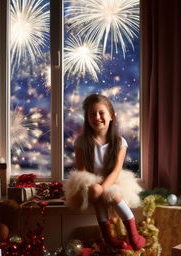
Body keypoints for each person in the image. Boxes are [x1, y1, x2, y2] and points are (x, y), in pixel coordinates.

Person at [64, 94, 145, 251]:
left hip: (113, 179)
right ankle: (108, 237)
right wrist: (95, 186)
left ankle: (133, 236)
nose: (97, 117)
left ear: (111, 116)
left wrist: (103, 187)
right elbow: (82, 171)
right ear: (87, 118)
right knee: (95, 190)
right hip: (89, 181)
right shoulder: (81, 141)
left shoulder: (120, 142)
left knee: (112, 194)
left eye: (101, 113)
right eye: (92, 114)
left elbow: (116, 170)